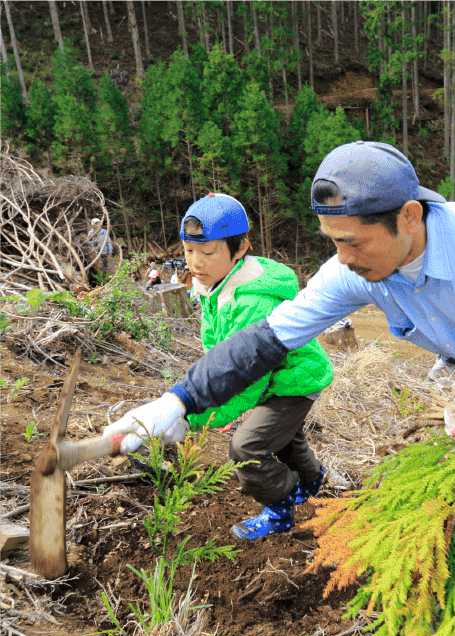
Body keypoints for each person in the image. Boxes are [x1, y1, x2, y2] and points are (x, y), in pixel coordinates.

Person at [113, 143, 455, 574]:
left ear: (409, 216)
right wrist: (178, 400)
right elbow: (267, 340)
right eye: (333, 243)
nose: (344, 259)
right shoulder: (352, 270)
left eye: (352, 242)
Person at [114, 190, 333, 544]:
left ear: (241, 247)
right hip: (274, 377)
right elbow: (218, 351)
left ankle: (282, 505)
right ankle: (312, 478)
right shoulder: (212, 285)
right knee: (285, 436)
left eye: (208, 252)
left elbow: (246, 377)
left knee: (247, 448)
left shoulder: (252, 300)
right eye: (188, 251)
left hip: (292, 379)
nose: (195, 261)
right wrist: (204, 393)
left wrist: (194, 416)